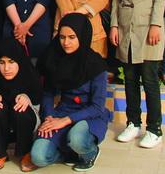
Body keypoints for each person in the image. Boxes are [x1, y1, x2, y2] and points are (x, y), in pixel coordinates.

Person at [109, 0, 165, 149]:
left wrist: (156, 25)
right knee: (130, 77)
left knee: (149, 78)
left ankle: (154, 129)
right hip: (125, 25)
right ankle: (133, 122)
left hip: (147, 25)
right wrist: (114, 25)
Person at [32, 13, 111, 171]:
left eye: (72, 37)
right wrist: (49, 117)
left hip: (89, 115)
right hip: (63, 111)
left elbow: (97, 107)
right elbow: (48, 93)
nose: (66, 43)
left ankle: (89, 153)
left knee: (77, 139)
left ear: (82, 36)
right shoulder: (55, 59)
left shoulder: (95, 65)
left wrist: (65, 121)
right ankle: (69, 154)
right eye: (62, 37)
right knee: (38, 157)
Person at [0, 38, 42, 171]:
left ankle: (25, 152)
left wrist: (27, 98)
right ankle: (0, 152)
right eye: (1, 62)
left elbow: (38, 98)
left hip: (27, 127)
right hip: (3, 127)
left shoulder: (30, 75)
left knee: (21, 109)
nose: (6, 68)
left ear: (19, 60)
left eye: (11, 62)